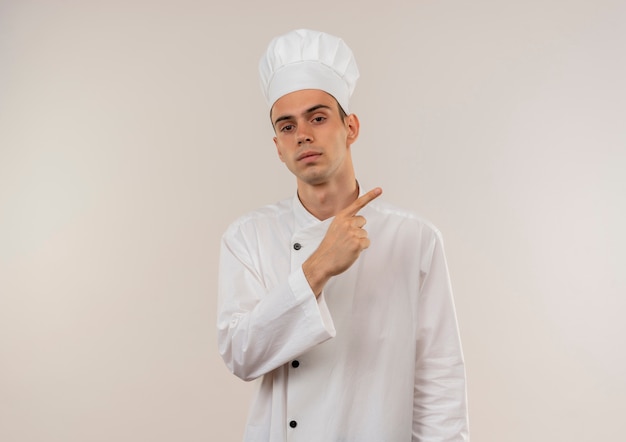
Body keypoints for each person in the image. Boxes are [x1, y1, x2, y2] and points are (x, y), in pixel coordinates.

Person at [217, 29, 469, 441]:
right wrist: (317, 268)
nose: (303, 135)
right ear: (278, 147)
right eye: (287, 126)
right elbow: (241, 356)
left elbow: (439, 379)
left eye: (318, 118)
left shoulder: (414, 238)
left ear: (350, 127)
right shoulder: (248, 237)